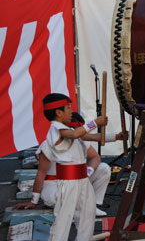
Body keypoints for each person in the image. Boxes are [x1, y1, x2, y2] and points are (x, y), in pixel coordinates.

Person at [13, 112, 125, 217]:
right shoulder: (48, 145)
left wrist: (88, 172)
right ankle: (75, 209)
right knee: (58, 198)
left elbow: (95, 156)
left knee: (104, 168)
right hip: (54, 186)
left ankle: (91, 206)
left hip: (76, 182)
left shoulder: (80, 139)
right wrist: (33, 201)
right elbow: (41, 174)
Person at [41, 93, 108, 241]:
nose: (71, 111)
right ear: (58, 113)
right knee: (63, 219)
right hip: (68, 181)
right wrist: (95, 122)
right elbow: (76, 134)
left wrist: (116, 136)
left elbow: (92, 137)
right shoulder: (56, 129)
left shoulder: (70, 131)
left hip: (82, 180)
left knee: (87, 214)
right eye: (68, 108)